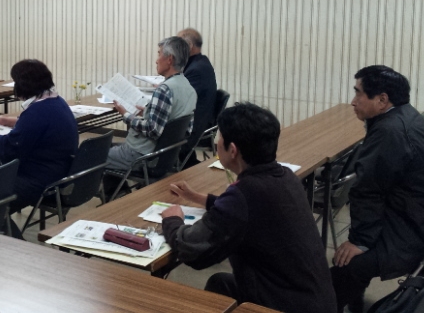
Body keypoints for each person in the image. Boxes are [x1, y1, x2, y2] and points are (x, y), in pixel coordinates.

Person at [160, 102, 336, 313]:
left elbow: (191, 248)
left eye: (220, 138)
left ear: (233, 150)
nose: (216, 143)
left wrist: (172, 220)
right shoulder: (285, 176)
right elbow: (249, 212)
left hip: (283, 305)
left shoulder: (245, 194)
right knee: (220, 283)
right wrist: (196, 197)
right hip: (316, 300)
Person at [330, 65, 424, 313]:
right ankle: (352, 302)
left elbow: (368, 190)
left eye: (358, 93)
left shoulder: (390, 131)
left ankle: (324, 304)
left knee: (349, 264)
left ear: (382, 100)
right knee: (356, 254)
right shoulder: (403, 116)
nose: (353, 101)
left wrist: (360, 242)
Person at [0, 59, 77, 234]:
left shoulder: (36, 111)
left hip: (41, 180)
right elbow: (38, 125)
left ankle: (11, 239)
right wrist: (10, 121)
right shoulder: (57, 101)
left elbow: (10, 149)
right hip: (60, 171)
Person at [105, 36, 196, 174]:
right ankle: (119, 186)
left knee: (93, 155)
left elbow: (153, 130)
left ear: (170, 59)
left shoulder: (164, 90)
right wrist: (148, 111)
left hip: (142, 155)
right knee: (107, 148)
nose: (156, 60)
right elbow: (186, 129)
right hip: (166, 156)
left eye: (159, 54)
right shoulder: (189, 88)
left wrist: (126, 115)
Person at [177, 28, 217, 168]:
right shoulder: (200, 63)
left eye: (178, 44)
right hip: (199, 122)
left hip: (193, 129)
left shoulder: (196, 70)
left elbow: (180, 99)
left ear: (189, 46)